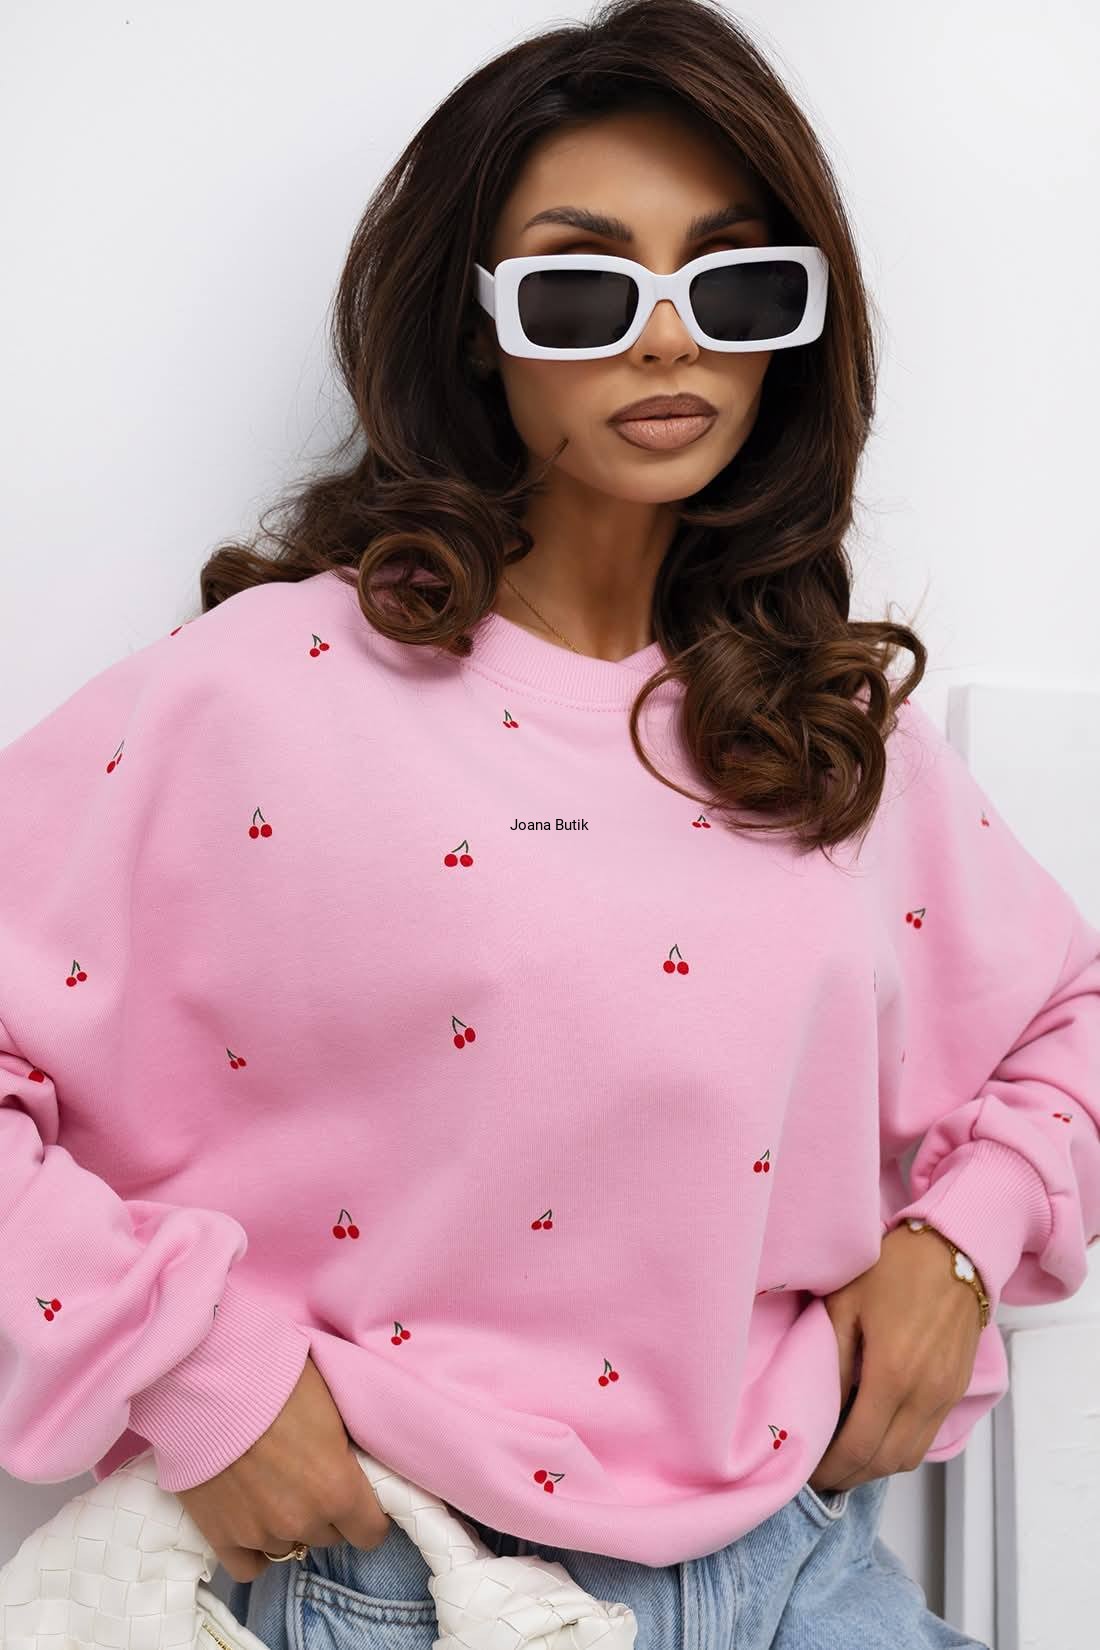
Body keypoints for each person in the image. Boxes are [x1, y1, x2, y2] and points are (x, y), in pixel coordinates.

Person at [2, 2, 1097, 1646]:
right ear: (478, 333)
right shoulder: (264, 691)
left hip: (801, 1567)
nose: (668, 343)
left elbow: (1067, 1020)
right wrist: (191, 1367)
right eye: (584, 290)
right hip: (406, 1579)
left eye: (733, 286)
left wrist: (962, 1240)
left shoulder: (824, 728)